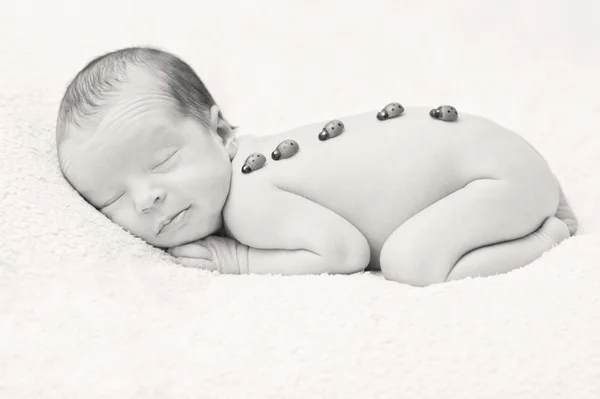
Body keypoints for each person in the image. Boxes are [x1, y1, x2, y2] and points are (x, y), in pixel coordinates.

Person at [56, 47, 577, 286]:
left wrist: (238, 262)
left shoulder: (251, 202)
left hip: (496, 180)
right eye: (111, 199)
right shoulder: (246, 164)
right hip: (501, 162)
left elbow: (343, 253)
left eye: (162, 159)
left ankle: (547, 234)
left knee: (411, 264)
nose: (147, 196)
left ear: (220, 133)